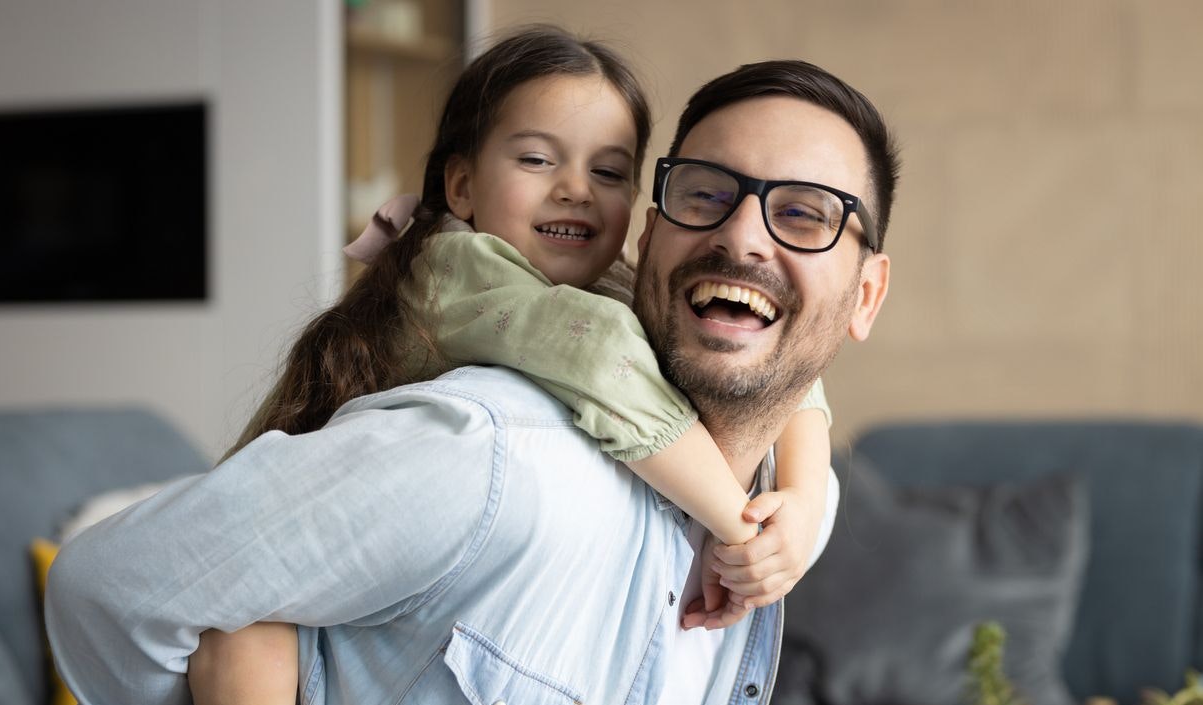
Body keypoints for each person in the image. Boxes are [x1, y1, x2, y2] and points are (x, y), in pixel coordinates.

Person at [46, 47, 897, 705]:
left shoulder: (755, 472)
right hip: (285, 581)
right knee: (246, 642)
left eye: (804, 215)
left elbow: (793, 383)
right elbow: (112, 585)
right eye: (707, 194)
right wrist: (743, 531)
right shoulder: (492, 429)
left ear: (865, 297)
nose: (743, 236)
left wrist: (799, 503)